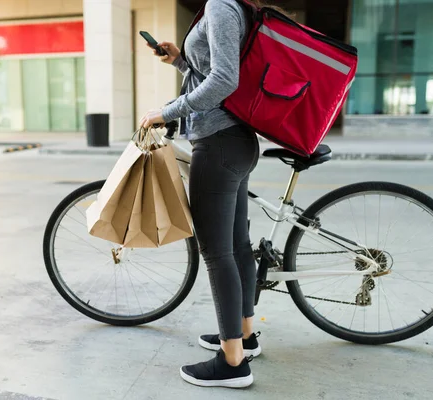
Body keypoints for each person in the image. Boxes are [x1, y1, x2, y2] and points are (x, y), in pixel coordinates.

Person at [139, 0, 290, 390]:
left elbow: (224, 81)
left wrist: (167, 111)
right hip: (235, 141)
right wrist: (179, 61)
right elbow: (212, 72)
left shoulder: (220, 6)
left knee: (217, 253)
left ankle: (232, 362)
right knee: (237, 247)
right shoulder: (234, 7)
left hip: (219, 143)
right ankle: (245, 336)